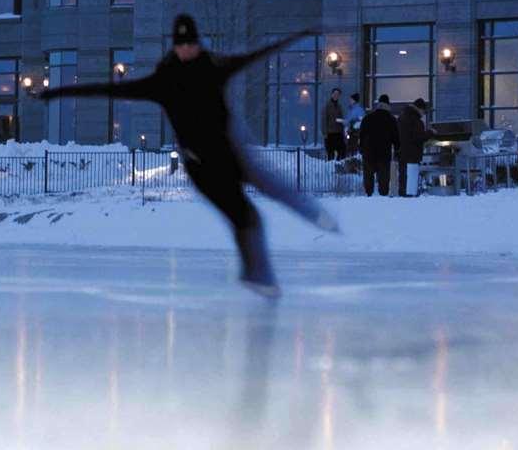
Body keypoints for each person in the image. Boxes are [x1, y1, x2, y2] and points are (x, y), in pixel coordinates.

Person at [39, 15, 339, 297]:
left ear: (198, 43)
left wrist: (300, 34)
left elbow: (257, 54)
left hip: (230, 152)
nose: (186, 50)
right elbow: (107, 90)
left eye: (191, 44)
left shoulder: (215, 66)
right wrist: (56, 92)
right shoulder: (162, 82)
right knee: (245, 216)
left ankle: (315, 216)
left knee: (272, 185)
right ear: (175, 46)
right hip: (201, 167)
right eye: (181, 45)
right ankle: (258, 276)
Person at [358, 94, 400, 196]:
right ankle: (383, 195)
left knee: (368, 175)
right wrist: (397, 149)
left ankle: (369, 193)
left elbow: (362, 135)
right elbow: (396, 137)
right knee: (383, 176)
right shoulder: (391, 119)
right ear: (388, 105)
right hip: (384, 152)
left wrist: (361, 148)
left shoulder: (368, 118)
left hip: (368, 151)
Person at [397, 97, 436, 198]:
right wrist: (430, 133)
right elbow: (418, 137)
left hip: (401, 153)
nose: (423, 114)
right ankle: (409, 199)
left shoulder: (401, 117)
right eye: (424, 111)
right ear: (419, 109)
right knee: (411, 182)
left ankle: (403, 197)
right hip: (412, 155)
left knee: (404, 180)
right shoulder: (415, 120)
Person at [322, 88, 345, 160]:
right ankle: (330, 167)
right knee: (330, 151)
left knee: (341, 150)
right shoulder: (327, 105)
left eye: (338, 94)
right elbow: (324, 119)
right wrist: (325, 132)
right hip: (330, 132)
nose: (336, 96)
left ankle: (338, 165)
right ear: (332, 94)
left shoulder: (339, 105)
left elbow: (341, 117)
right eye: (335, 94)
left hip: (338, 132)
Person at [345, 93, 366, 157]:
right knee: (349, 147)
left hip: (355, 133)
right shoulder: (350, 109)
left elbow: (361, 120)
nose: (349, 101)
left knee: (354, 147)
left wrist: (354, 126)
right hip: (349, 132)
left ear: (354, 100)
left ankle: (355, 159)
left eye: (351, 99)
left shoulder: (359, 110)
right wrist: (346, 128)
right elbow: (347, 120)